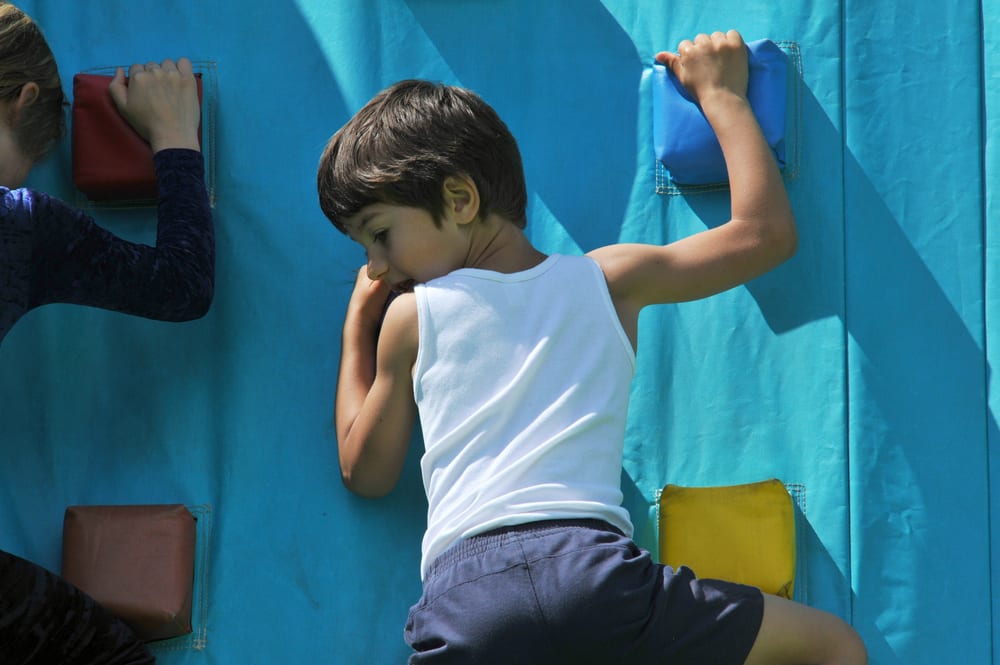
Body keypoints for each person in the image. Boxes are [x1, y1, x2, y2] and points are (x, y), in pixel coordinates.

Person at [319, 29, 867, 665]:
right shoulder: (608, 281)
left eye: (380, 236)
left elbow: (366, 471)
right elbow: (764, 235)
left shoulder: (410, 318)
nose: (378, 268)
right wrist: (721, 95)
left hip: (466, 599)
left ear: (461, 199)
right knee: (834, 648)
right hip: (594, 576)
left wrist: (357, 328)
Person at [0, 3, 212, 663]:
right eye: (25, 161)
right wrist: (176, 137)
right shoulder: (19, 222)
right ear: (23, 97)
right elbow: (182, 286)